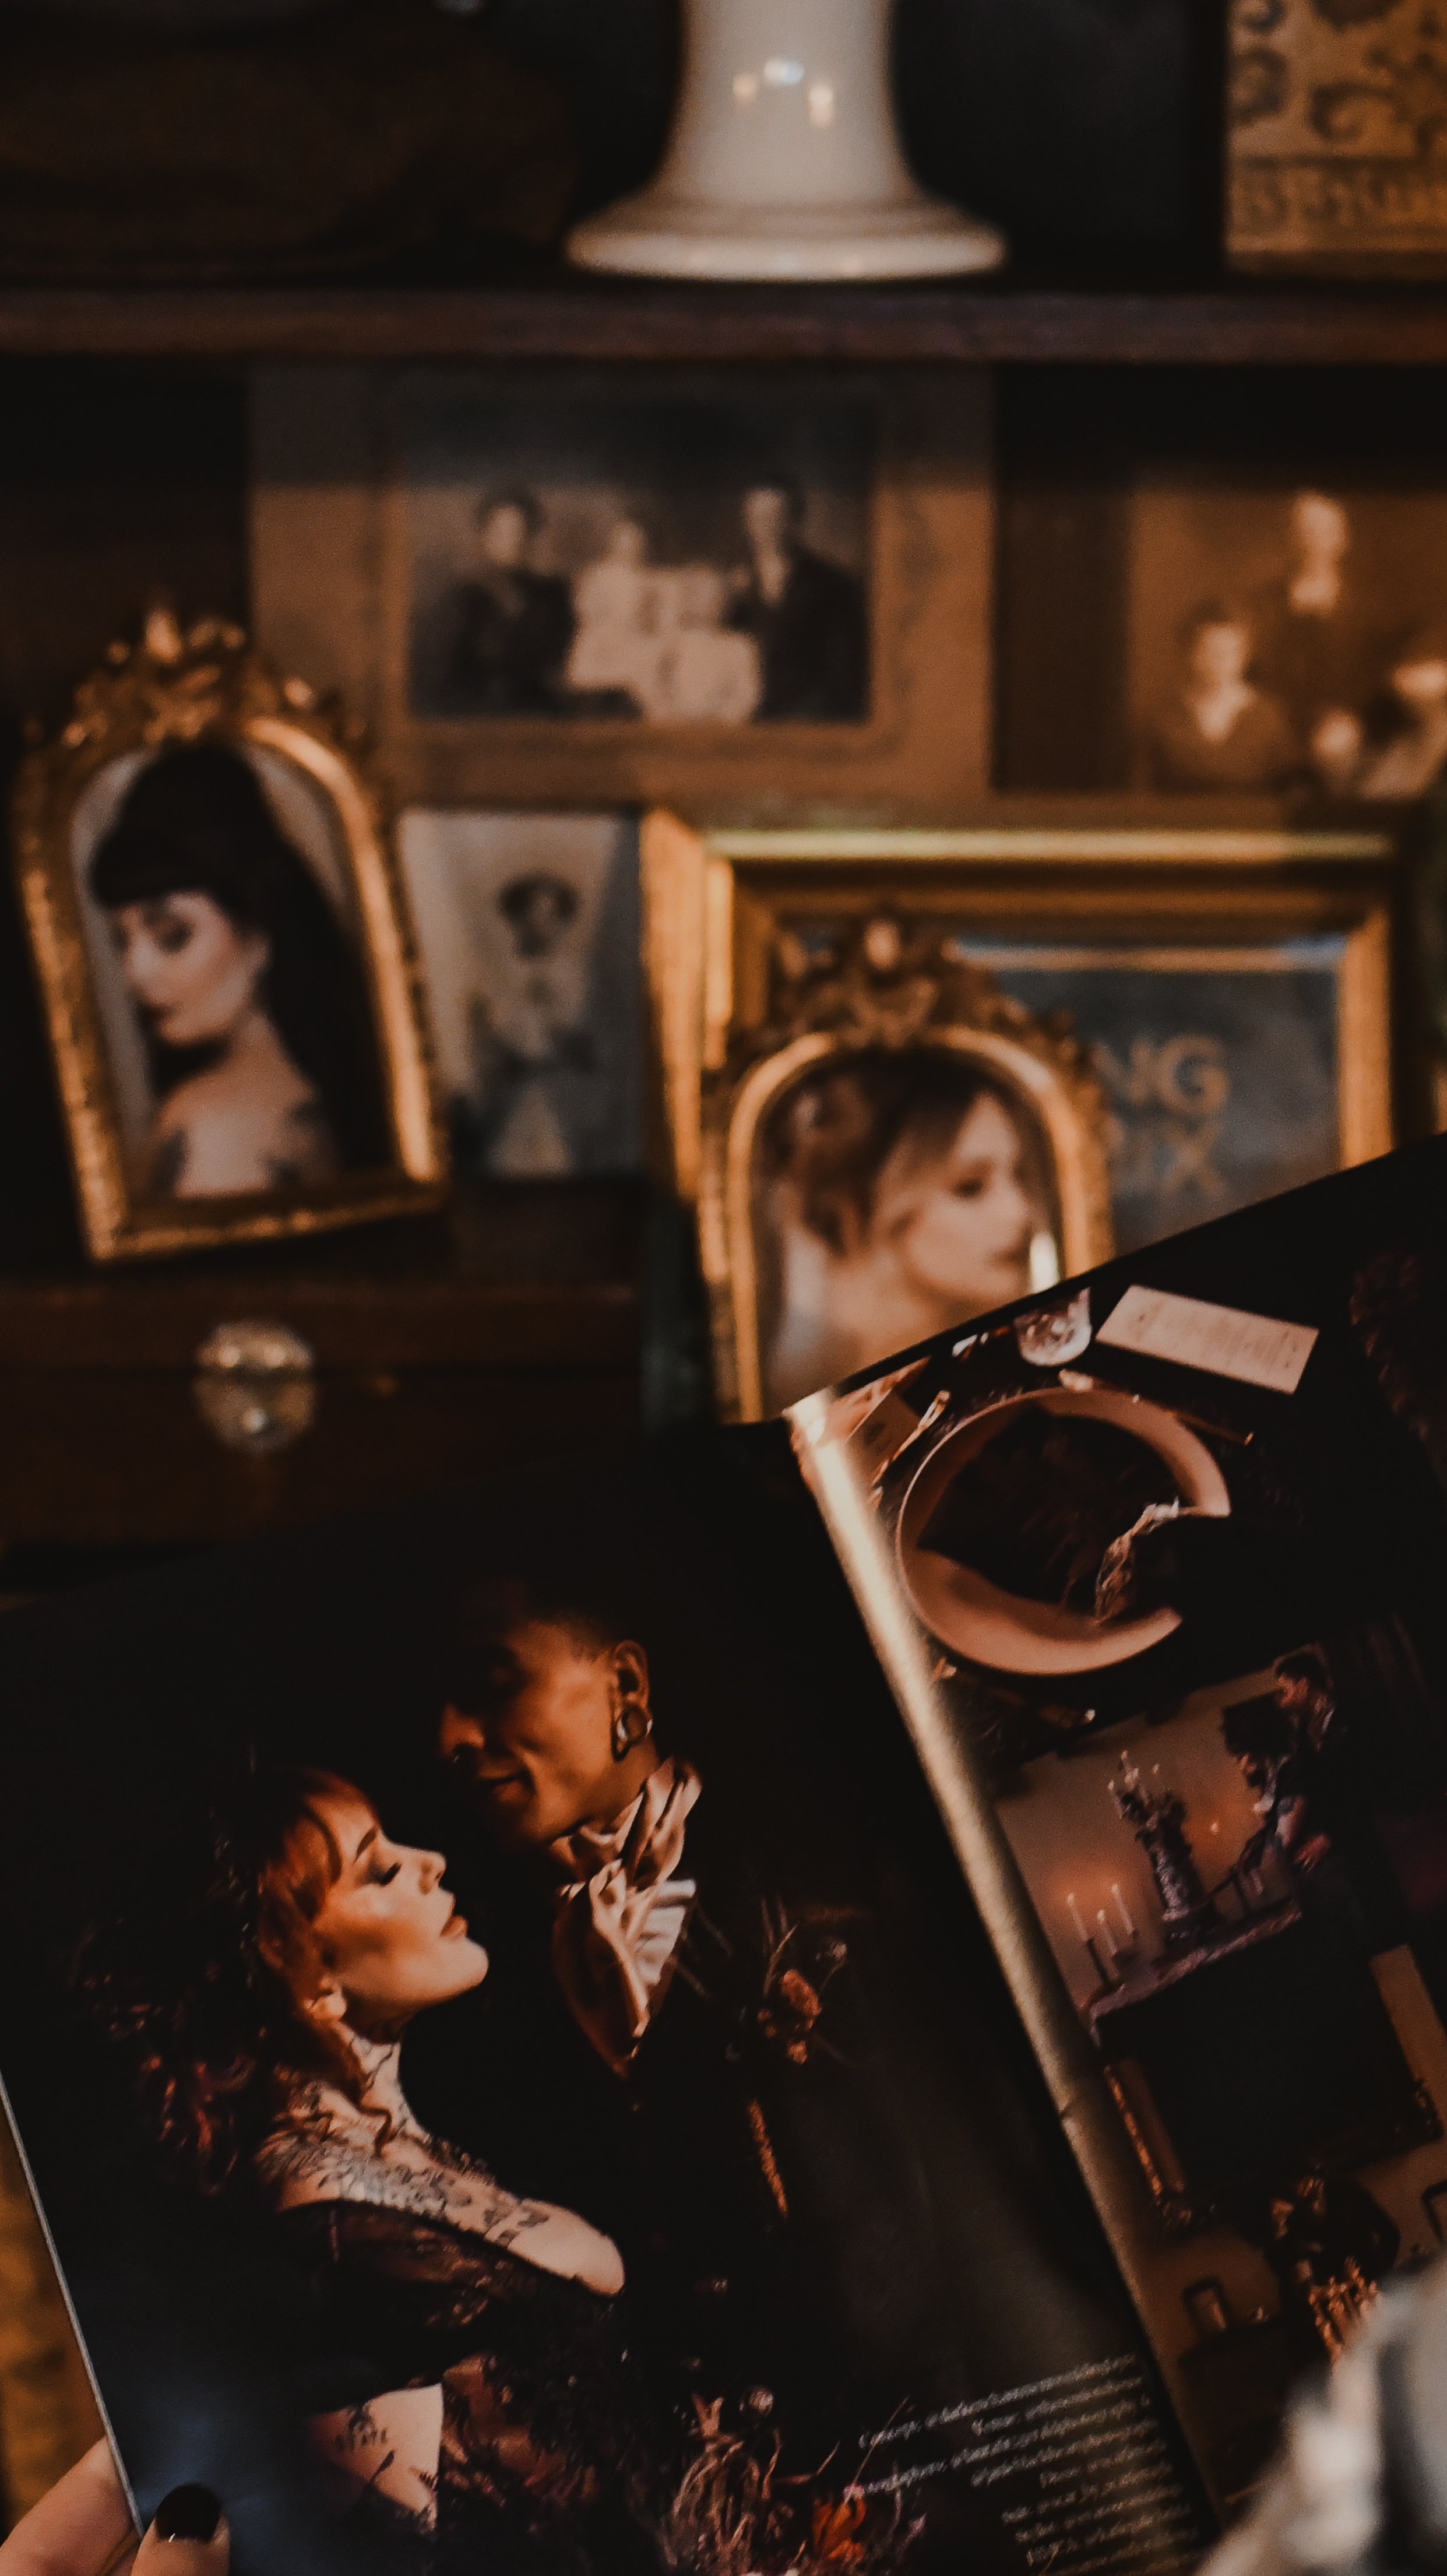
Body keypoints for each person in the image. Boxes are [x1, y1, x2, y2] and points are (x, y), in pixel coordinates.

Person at [412, 1572, 957, 2486]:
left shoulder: (825, 1880)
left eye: (492, 1684)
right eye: (438, 1710)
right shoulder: (477, 1981)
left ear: (626, 1690)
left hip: (925, 2455)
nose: (452, 1741)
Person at [73, 1766, 655, 2575]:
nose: (432, 1864)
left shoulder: (388, 2165)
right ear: (303, 1973)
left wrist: (609, 2048)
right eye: (381, 1870)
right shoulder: (331, 2232)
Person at [88, 744, 387, 1199]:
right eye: (121, 942)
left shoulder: (214, 1125)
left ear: (257, 937)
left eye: (172, 935)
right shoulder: (318, 1092)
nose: (136, 973)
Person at [757, 1048, 1043, 1410]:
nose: (1019, 1211)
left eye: (1019, 1175)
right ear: (877, 1205)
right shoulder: (807, 1385)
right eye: (969, 1186)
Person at [728, 482, 867, 722]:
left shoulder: (834, 585)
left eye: (776, 516)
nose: (767, 527)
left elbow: (843, 673)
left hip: (809, 720)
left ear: (796, 519)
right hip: (744, 721)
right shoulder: (729, 585)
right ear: (747, 522)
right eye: (759, 517)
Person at [441, 491, 575, 717]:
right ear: (486, 537)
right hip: (478, 713)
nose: (513, 541)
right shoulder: (465, 598)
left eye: (519, 532)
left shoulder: (554, 594)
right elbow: (454, 675)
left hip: (542, 709)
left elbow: (562, 659)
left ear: (532, 537)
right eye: (501, 532)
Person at [1146, 602, 1300, 790]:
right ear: (1190, 654)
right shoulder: (1165, 718)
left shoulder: (1268, 718)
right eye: (1208, 651)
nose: (1218, 662)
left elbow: (1291, 791)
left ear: (1245, 655)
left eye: (1229, 652)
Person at [642, 563, 761, 724]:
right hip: (673, 732)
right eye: (697, 593)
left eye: (714, 594)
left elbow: (745, 695)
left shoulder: (739, 647)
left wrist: (720, 720)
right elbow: (652, 690)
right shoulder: (669, 645)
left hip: (721, 735)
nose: (706, 601)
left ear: (724, 601)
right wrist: (672, 718)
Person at [564, 516, 658, 714]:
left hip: (635, 641)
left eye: (635, 541)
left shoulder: (649, 581)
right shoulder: (596, 575)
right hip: (601, 641)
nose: (629, 547)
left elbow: (655, 619)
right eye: (624, 540)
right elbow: (586, 612)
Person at [1358, 629, 1447, 798]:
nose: (1402, 679)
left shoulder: (1438, 735)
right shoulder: (1398, 747)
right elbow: (1371, 796)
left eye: (1420, 664)